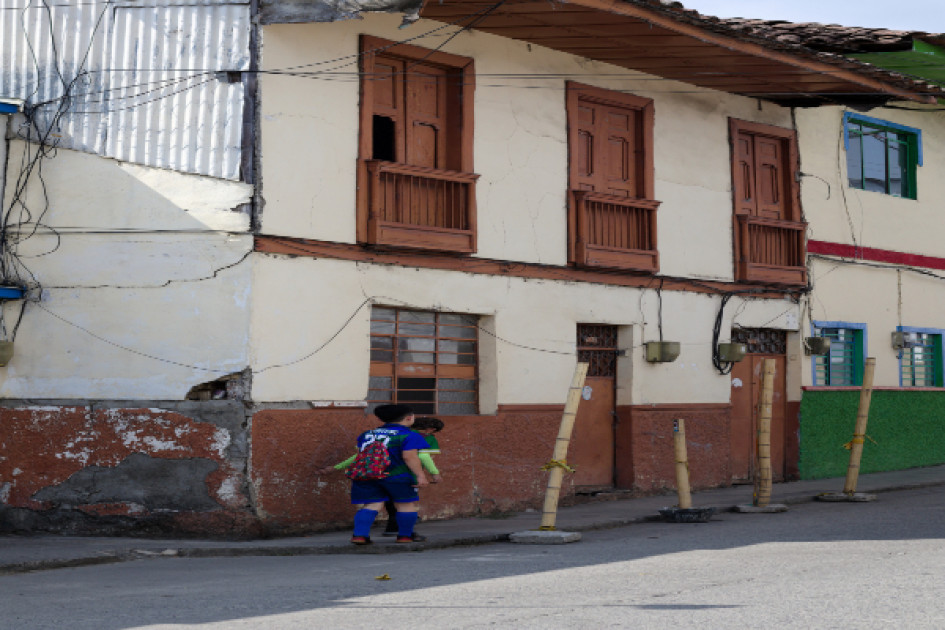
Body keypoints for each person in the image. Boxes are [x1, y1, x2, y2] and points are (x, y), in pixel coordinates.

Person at [346, 404, 429, 545]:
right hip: (398, 477)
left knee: (372, 505)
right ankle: (405, 536)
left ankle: (360, 535)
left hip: (368, 476)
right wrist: (420, 475)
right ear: (409, 418)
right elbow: (409, 457)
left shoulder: (367, 434)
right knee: (405, 505)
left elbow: (362, 454)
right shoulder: (409, 435)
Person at [381, 416, 444, 538]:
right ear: (430, 429)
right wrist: (434, 473)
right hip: (408, 473)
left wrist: (337, 467)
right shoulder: (427, 438)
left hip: (384, 471)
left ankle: (390, 526)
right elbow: (424, 457)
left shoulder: (396, 434)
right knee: (406, 503)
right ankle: (405, 532)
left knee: (388, 499)